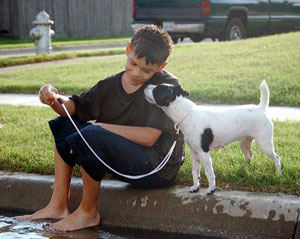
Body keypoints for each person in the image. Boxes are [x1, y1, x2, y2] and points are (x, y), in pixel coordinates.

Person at [17, 25, 185, 231]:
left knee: (92, 135)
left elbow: (149, 137)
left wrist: (103, 128)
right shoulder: (110, 86)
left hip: (156, 168)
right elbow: (76, 107)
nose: (136, 72)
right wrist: (53, 97)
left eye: (146, 70)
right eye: (133, 63)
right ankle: (57, 206)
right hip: (127, 161)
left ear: (161, 66)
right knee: (65, 125)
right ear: (127, 50)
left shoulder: (165, 87)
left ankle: (88, 213)